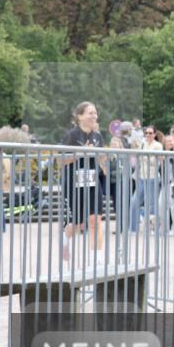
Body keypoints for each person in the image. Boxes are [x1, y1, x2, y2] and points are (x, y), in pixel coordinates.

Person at [60, 102, 106, 260]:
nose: (94, 116)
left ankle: (97, 262)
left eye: (95, 113)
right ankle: (65, 239)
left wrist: (105, 164)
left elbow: (102, 158)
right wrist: (81, 153)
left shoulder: (98, 136)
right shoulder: (72, 135)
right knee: (78, 224)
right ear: (80, 116)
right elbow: (60, 161)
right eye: (90, 113)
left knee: (95, 220)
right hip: (74, 182)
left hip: (93, 181)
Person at [129, 125, 163, 233]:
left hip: (152, 177)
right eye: (146, 133)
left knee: (152, 204)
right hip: (141, 177)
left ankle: (152, 229)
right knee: (134, 202)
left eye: (150, 133)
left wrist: (144, 156)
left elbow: (155, 161)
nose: (148, 135)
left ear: (155, 134)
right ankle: (133, 229)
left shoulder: (158, 145)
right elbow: (138, 158)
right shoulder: (142, 143)